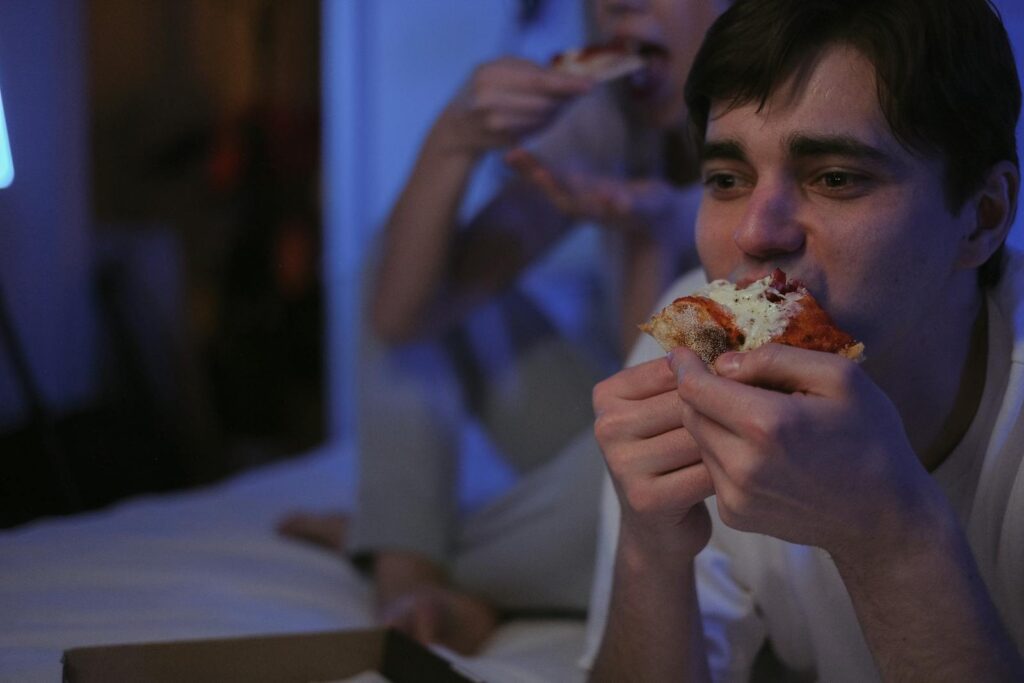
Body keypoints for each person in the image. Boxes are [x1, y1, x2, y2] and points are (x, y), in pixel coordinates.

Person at [585, 0, 1024, 680]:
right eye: (727, 180)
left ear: (982, 218)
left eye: (836, 178)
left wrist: (891, 538)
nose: (757, 233)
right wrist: (649, 552)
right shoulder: (685, 350)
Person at [278, 0, 731, 656]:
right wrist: (454, 138)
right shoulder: (610, 115)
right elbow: (400, 316)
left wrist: (660, 228)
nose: (617, 4)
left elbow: (673, 392)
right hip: (619, 409)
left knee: (664, 442)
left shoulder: (784, 118)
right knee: (405, 256)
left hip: (705, 436)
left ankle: (401, 550)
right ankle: (412, 550)